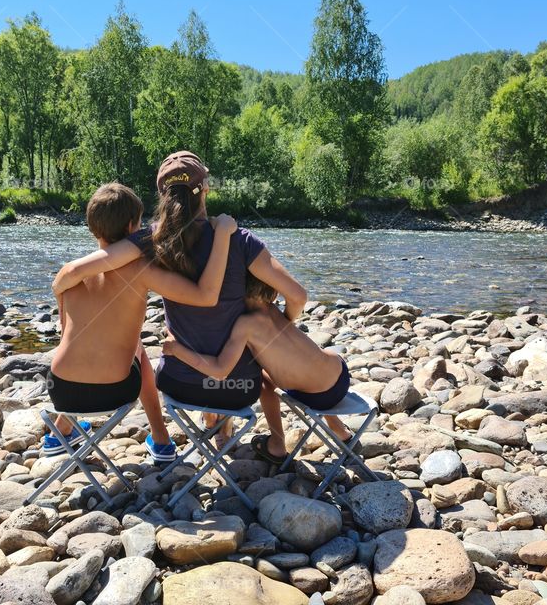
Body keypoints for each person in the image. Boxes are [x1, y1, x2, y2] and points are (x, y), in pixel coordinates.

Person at [53, 151, 306, 461]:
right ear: (206, 189)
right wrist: (281, 324)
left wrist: (61, 282)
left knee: (138, 349)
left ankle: (65, 429)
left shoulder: (153, 240)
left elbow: (84, 270)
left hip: (169, 385)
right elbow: (294, 296)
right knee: (240, 350)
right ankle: (197, 431)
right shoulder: (240, 240)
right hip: (238, 388)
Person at [45, 182, 236, 464]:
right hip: (113, 389)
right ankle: (161, 441)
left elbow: (66, 331)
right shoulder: (140, 270)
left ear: (91, 226)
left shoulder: (71, 275)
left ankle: (61, 428)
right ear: (134, 225)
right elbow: (202, 296)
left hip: (60, 390)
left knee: (80, 340)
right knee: (139, 351)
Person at [162, 272, 353, 462]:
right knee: (305, 360)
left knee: (261, 380)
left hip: (316, 398)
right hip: (340, 375)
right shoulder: (273, 310)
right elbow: (297, 301)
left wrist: (177, 350)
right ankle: (340, 430)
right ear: (273, 293)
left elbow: (220, 371)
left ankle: (277, 444)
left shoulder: (244, 324)